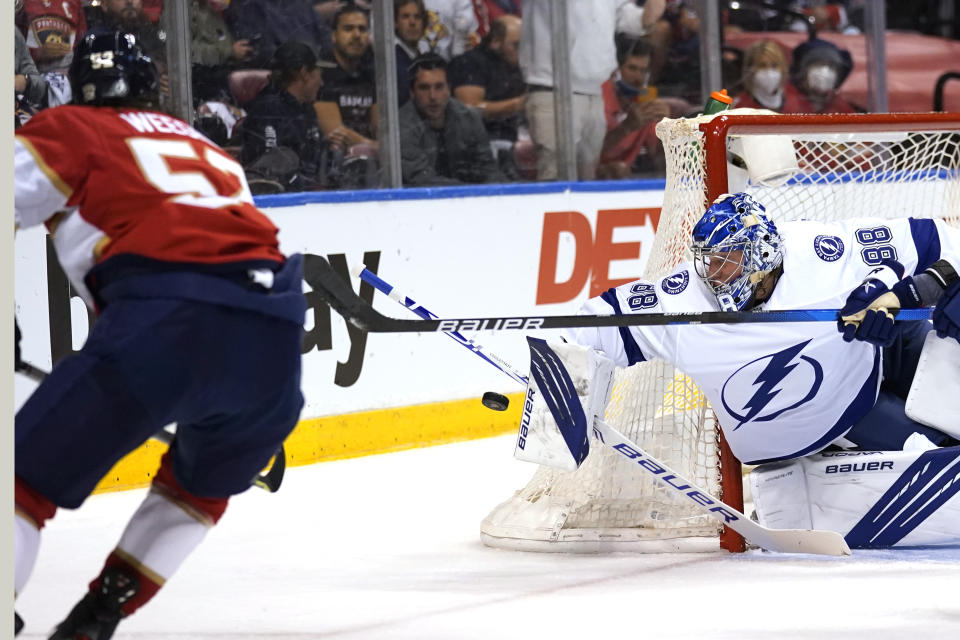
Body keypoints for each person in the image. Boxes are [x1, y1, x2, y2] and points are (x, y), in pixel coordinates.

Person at [14, 29, 306, 639]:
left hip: (163, 324)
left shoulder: (71, 129)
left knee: (19, 485)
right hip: (275, 343)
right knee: (196, 491)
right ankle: (101, 614)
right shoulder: (211, 150)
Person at [562, 192, 960, 466]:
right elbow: (589, 326)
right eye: (708, 261)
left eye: (728, 259)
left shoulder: (825, 248)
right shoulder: (682, 298)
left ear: (761, 252)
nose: (714, 274)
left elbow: (945, 243)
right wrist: (555, 370)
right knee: (934, 453)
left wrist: (914, 289)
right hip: (842, 414)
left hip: (880, 352)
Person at [520, 0, 665, 181]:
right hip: (552, 89)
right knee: (556, 179)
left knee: (587, 179)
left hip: (594, 92)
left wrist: (652, 10)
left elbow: (636, 20)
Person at [241, 41, 336, 192]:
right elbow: (268, 171)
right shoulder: (267, 110)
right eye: (319, 75)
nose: (322, 83)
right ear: (305, 73)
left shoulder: (306, 108)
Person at [399, 53, 504, 185]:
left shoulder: (469, 118)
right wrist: (469, 193)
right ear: (412, 92)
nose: (433, 96)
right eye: (424, 88)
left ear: (449, 89)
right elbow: (420, 179)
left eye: (439, 87)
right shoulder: (402, 125)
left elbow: (488, 170)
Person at [596, 36, 671, 179]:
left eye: (643, 71)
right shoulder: (598, 97)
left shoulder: (644, 99)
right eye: (632, 68)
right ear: (614, 70)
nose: (638, 77)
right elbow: (586, 156)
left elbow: (661, 161)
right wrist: (627, 127)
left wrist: (666, 130)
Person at [448, 14, 525, 147]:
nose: (522, 51)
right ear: (495, 41)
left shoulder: (514, 65)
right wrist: (516, 104)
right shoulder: (470, 63)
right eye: (516, 45)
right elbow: (469, 108)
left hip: (511, 140)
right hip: (475, 144)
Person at [314, 3, 378, 153]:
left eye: (362, 29)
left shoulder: (371, 73)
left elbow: (381, 129)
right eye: (348, 29)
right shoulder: (323, 73)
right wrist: (375, 146)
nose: (357, 35)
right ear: (334, 35)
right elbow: (336, 133)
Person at [788, 37, 859, 114]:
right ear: (804, 71)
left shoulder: (840, 106)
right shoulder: (786, 100)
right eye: (819, 65)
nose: (825, 71)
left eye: (831, 67)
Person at [732, 40, 806, 113]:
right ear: (750, 70)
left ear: (783, 68)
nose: (769, 72)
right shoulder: (739, 107)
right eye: (762, 66)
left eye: (774, 65)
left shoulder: (796, 100)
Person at [395, 0, 429, 106]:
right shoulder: (391, 60)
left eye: (417, 17)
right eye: (405, 17)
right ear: (395, 22)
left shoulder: (424, 58)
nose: (412, 22)